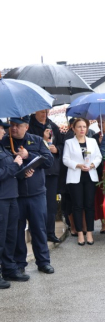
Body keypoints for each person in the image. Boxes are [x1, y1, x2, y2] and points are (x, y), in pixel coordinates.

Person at [2, 116, 55, 275]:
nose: (13, 128)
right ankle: (19, 263)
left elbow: (49, 161)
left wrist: (28, 156)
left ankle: (43, 262)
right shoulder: (4, 141)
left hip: (36, 193)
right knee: (17, 231)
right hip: (15, 195)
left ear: (26, 127)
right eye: (12, 125)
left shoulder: (37, 140)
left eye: (18, 126)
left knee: (38, 228)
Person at [62, 118, 102, 246]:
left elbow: (98, 157)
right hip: (75, 176)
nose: (82, 129)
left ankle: (89, 232)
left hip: (90, 175)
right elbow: (65, 159)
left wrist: (92, 165)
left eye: (84, 126)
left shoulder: (92, 141)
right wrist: (78, 165)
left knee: (89, 205)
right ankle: (80, 232)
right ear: (73, 128)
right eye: (79, 127)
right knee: (77, 205)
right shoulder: (69, 142)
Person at [28, 110, 65, 244]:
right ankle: (37, 233)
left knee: (51, 204)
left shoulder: (53, 126)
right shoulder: (29, 126)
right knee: (37, 205)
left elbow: (61, 144)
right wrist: (43, 141)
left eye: (47, 110)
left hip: (52, 169)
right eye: (42, 111)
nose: (45, 113)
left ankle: (50, 232)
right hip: (37, 170)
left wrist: (57, 149)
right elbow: (28, 147)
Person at [0, 136, 26, 288]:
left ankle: (9, 269)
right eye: (1, 128)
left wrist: (21, 168)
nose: (3, 131)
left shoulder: (3, 147)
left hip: (11, 196)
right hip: (1, 199)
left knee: (11, 236)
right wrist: (14, 165)